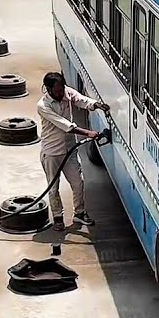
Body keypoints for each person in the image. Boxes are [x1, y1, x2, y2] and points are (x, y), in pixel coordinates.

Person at [37, 71, 109, 230]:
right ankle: (57, 217)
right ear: (48, 89)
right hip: (52, 153)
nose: (61, 93)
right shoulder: (43, 106)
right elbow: (65, 125)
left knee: (78, 182)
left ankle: (80, 214)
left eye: (62, 89)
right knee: (53, 187)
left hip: (69, 149)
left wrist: (96, 105)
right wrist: (89, 133)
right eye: (57, 91)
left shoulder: (66, 92)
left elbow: (80, 99)